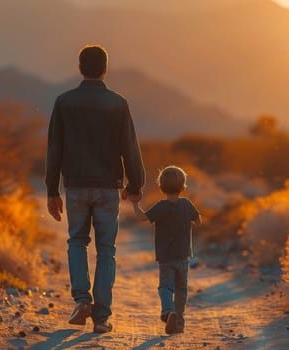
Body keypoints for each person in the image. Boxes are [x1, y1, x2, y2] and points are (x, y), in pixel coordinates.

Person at [45, 44, 145, 334]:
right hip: (107, 188)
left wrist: (52, 190)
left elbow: (54, 149)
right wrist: (135, 184)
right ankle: (101, 318)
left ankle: (81, 300)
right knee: (106, 251)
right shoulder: (118, 103)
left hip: (75, 186)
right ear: (105, 68)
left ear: (80, 67)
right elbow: (130, 148)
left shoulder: (64, 102)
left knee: (76, 242)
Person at [131, 165, 201, 334]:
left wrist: (135, 203)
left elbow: (142, 218)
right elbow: (199, 221)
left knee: (165, 287)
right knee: (181, 290)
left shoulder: (161, 206)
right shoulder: (186, 204)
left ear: (161, 186)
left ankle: (168, 311)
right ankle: (179, 322)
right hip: (184, 256)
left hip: (166, 257)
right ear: (183, 185)